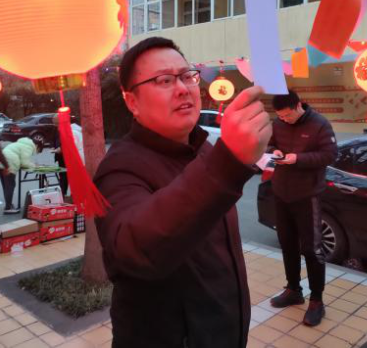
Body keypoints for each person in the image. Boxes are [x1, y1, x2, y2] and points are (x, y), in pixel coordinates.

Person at [94, 37, 271, 348]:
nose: (183, 89)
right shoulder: (119, 168)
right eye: (164, 80)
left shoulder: (203, 148)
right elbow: (134, 249)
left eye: (187, 76)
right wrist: (228, 161)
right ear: (132, 102)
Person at [268, 91, 338, 327]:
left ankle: (317, 301)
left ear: (298, 106)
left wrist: (297, 158)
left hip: (307, 195)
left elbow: (330, 155)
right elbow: (271, 144)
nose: (284, 120)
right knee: (287, 243)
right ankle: (293, 290)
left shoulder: (320, 124)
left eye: (288, 115)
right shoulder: (278, 123)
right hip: (281, 192)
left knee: (312, 249)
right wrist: (274, 152)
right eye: (280, 116)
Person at [0, 137, 43, 214]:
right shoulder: (29, 147)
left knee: (6, 186)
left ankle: (8, 204)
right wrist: (34, 165)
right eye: (38, 150)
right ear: (36, 146)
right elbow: (24, 163)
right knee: (10, 185)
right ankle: (8, 208)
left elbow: (22, 160)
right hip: (10, 163)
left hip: (1, 161)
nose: (35, 152)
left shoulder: (21, 143)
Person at [52, 115, 69, 194]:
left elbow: (68, 141)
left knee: (65, 175)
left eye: (54, 120)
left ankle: (63, 192)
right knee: (62, 175)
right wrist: (53, 147)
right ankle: (62, 192)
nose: (53, 121)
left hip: (66, 156)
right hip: (59, 156)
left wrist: (61, 148)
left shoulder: (66, 128)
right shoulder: (56, 128)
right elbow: (54, 139)